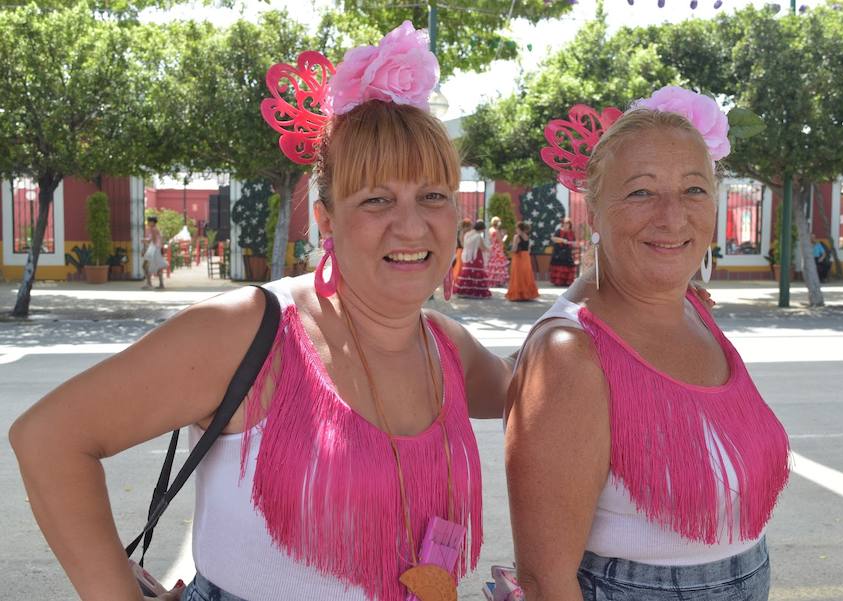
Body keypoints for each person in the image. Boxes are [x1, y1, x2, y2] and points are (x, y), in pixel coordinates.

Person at [10, 22, 513, 601]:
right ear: (326, 219)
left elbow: (542, 387)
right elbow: (49, 439)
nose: (411, 225)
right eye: (377, 199)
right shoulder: (249, 331)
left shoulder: (449, 348)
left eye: (433, 196)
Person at [506, 87, 790, 601]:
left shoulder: (693, 308)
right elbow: (545, 581)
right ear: (595, 211)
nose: (673, 217)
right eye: (641, 192)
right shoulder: (570, 353)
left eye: (694, 189)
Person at [454, 220, 492, 298]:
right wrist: (489, 249)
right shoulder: (478, 236)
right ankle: (476, 292)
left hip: (467, 256)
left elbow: (463, 244)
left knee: (467, 272)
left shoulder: (467, 234)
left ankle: (464, 291)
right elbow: (482, 247)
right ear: (481, 229)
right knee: (477, 273)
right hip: (476, 256)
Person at [506, 222, 539, 302]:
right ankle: (527, 294)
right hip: (526, 257)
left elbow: (514, 249)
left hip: (518, 257)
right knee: (526, 275)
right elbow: (529, 249)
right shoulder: (527, 237)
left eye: (516, 228)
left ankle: (518, 294)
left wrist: (509, 249)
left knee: (517, 275)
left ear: (519, 229)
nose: (516, 230)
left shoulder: (517, 237)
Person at [549, 217, 577, 286]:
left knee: (569, 265)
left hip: (568, 253)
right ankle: (558, 282)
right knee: (559, 265)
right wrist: (562, 240)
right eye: (565, 223)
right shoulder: (559, 231)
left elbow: (574, 241)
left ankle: (567, 282)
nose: (566, 225)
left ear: (570, 225)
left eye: (567, 224)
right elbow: (553, 239)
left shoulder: (571, 232)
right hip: (559, 252)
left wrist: (573, 243)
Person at [142, 215, 167, 289]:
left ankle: (149, 283)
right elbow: (159, 240)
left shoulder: (153, 229)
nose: (148, 223)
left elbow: (153, 241)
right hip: (156, 249)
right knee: (157, 266)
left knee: (145, 266)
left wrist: (145, 241)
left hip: (153, 249)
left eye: (149, 221)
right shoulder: (156, 229)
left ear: (152, 222)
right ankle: (161, 284)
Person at [486, 216, 510, 287]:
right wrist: (504, 237)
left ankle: (492, 279)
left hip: (492, 247)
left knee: (492, 263)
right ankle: (499, 280)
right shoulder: (496, 231)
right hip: (497, 248)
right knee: (499, 264)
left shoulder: (490, 230)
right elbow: (500, 241)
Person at [452, 218, 473, 288]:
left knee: (461, 267)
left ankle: (459, 282)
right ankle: (457, 282)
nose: (471, 228)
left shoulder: (463, 232)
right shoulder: (462, 232)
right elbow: (461, 242)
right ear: (466, 226)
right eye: (470, 226)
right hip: (461, 251)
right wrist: (466, 248)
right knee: (459, 267)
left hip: (461, 250)